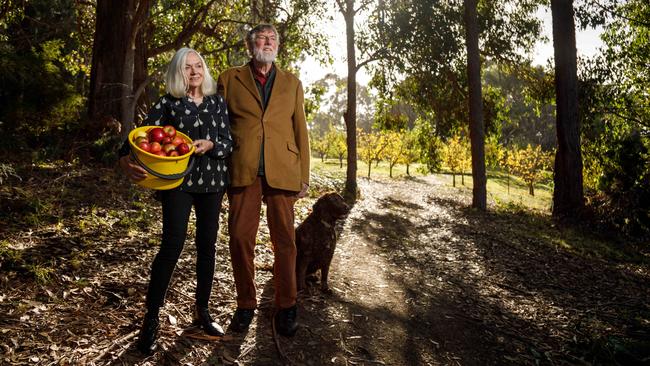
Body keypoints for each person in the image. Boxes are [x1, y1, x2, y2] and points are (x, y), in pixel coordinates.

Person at [118, 47, 233, 355]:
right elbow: (139, 136)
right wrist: (125, 160)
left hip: (212, 182)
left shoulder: (217, 103)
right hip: (178, 183)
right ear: (178, 73)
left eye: (198, 66)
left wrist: (211, 145)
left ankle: (202, 311)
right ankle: (151, 318)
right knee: (172, 245)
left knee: (207, 245)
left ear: (204, 70)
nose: (194, 71)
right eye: (187, 67)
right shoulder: (168, 103)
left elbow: (228, 142)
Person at [217, 23, 310, 337]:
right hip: (243, 167)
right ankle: (245, 304)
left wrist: (304, 176)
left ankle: (287, 305)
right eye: (261, 38)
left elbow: (301, 131)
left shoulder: (292, 83)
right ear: (249, 44)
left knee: (285, 241)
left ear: (277, 46)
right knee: (240, 239)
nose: (267, 43)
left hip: (283, 169)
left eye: (272, 39)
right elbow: (218, 124)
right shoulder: (229, 79)